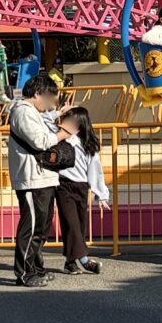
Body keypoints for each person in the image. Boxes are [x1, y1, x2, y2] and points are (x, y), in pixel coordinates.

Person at [7, 75, 69, 287]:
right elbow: (40, 140)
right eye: (49, 97)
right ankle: (25, 272)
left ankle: (36, 268)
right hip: (31, 178)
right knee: (32, 227)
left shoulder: (32, 112)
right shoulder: (23, 112)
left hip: (42, 177)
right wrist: (64, 133)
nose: (50, 103)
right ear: (37, 94)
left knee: (41, 227)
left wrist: (59, 115)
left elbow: (44, 124)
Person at [55, 106, 108, 275]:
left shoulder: (88, 145)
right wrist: (58, 112)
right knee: (71, 223)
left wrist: (101, 194)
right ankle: (84, 260)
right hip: (63, 185)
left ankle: (70, 262)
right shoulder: (60, 140)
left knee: (79, 224)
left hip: (81, 187)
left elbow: (95, 170)